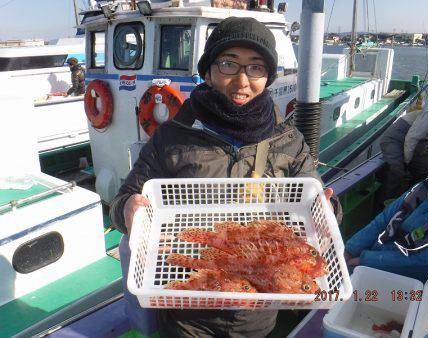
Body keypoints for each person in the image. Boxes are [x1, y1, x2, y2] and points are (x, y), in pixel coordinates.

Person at [110, 17, 341, 338]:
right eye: (229, 64)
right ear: (208, 70)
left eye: (256, 67)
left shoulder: (288, 140)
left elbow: (316, 205)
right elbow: (124, 201)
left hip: (257, 312)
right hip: (186, 310)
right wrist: (127, 210)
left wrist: (329, 212)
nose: (242, 80)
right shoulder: (172, 137)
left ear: (268, 76)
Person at [345, 149, 428, 283]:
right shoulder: (423, 189)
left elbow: (421, 263)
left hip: (402, 279)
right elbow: (383, 220)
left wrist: (365, 260)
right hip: (373, 256)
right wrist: (350, 249)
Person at [379, 72, 428, 200]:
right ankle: (386, 200)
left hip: (406, 146)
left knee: (425, 171)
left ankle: (416, 194)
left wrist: (412, 160)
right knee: (397, 171)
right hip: (393, 141)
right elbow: (412, 138)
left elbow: (419, 145)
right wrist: (407, 161)